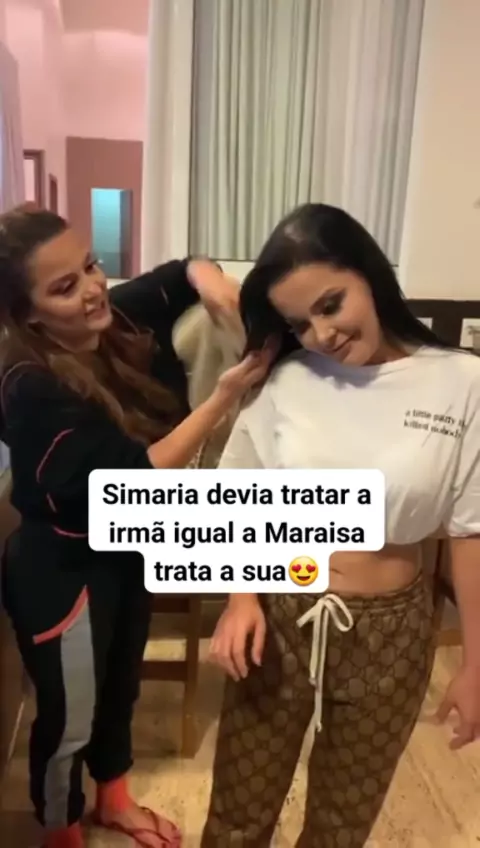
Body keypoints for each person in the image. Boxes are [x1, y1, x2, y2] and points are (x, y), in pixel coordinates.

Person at [201, 203, 480, 847]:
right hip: (280, 612)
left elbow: (470, 532)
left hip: (392, 633)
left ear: (370, 274)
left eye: (331, 305)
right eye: (300, 323)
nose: (322, 334)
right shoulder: (290, 378)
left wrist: (474, 664)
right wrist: (241, 599)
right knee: (238, 815)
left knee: (341, 824)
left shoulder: (461, 382)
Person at [0, 206, 273, 848]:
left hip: (124, 551)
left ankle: (114, 800)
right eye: (64, 286)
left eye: (90, 266)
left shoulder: (109, 316)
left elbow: (181, 272)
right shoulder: (28, 385)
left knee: (121, 685)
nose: (93, 288)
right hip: (61, 570)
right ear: (29, 313)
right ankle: (61, 830)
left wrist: (212, 283)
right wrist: (223, 396)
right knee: (70, 716)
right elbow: (138, 474)